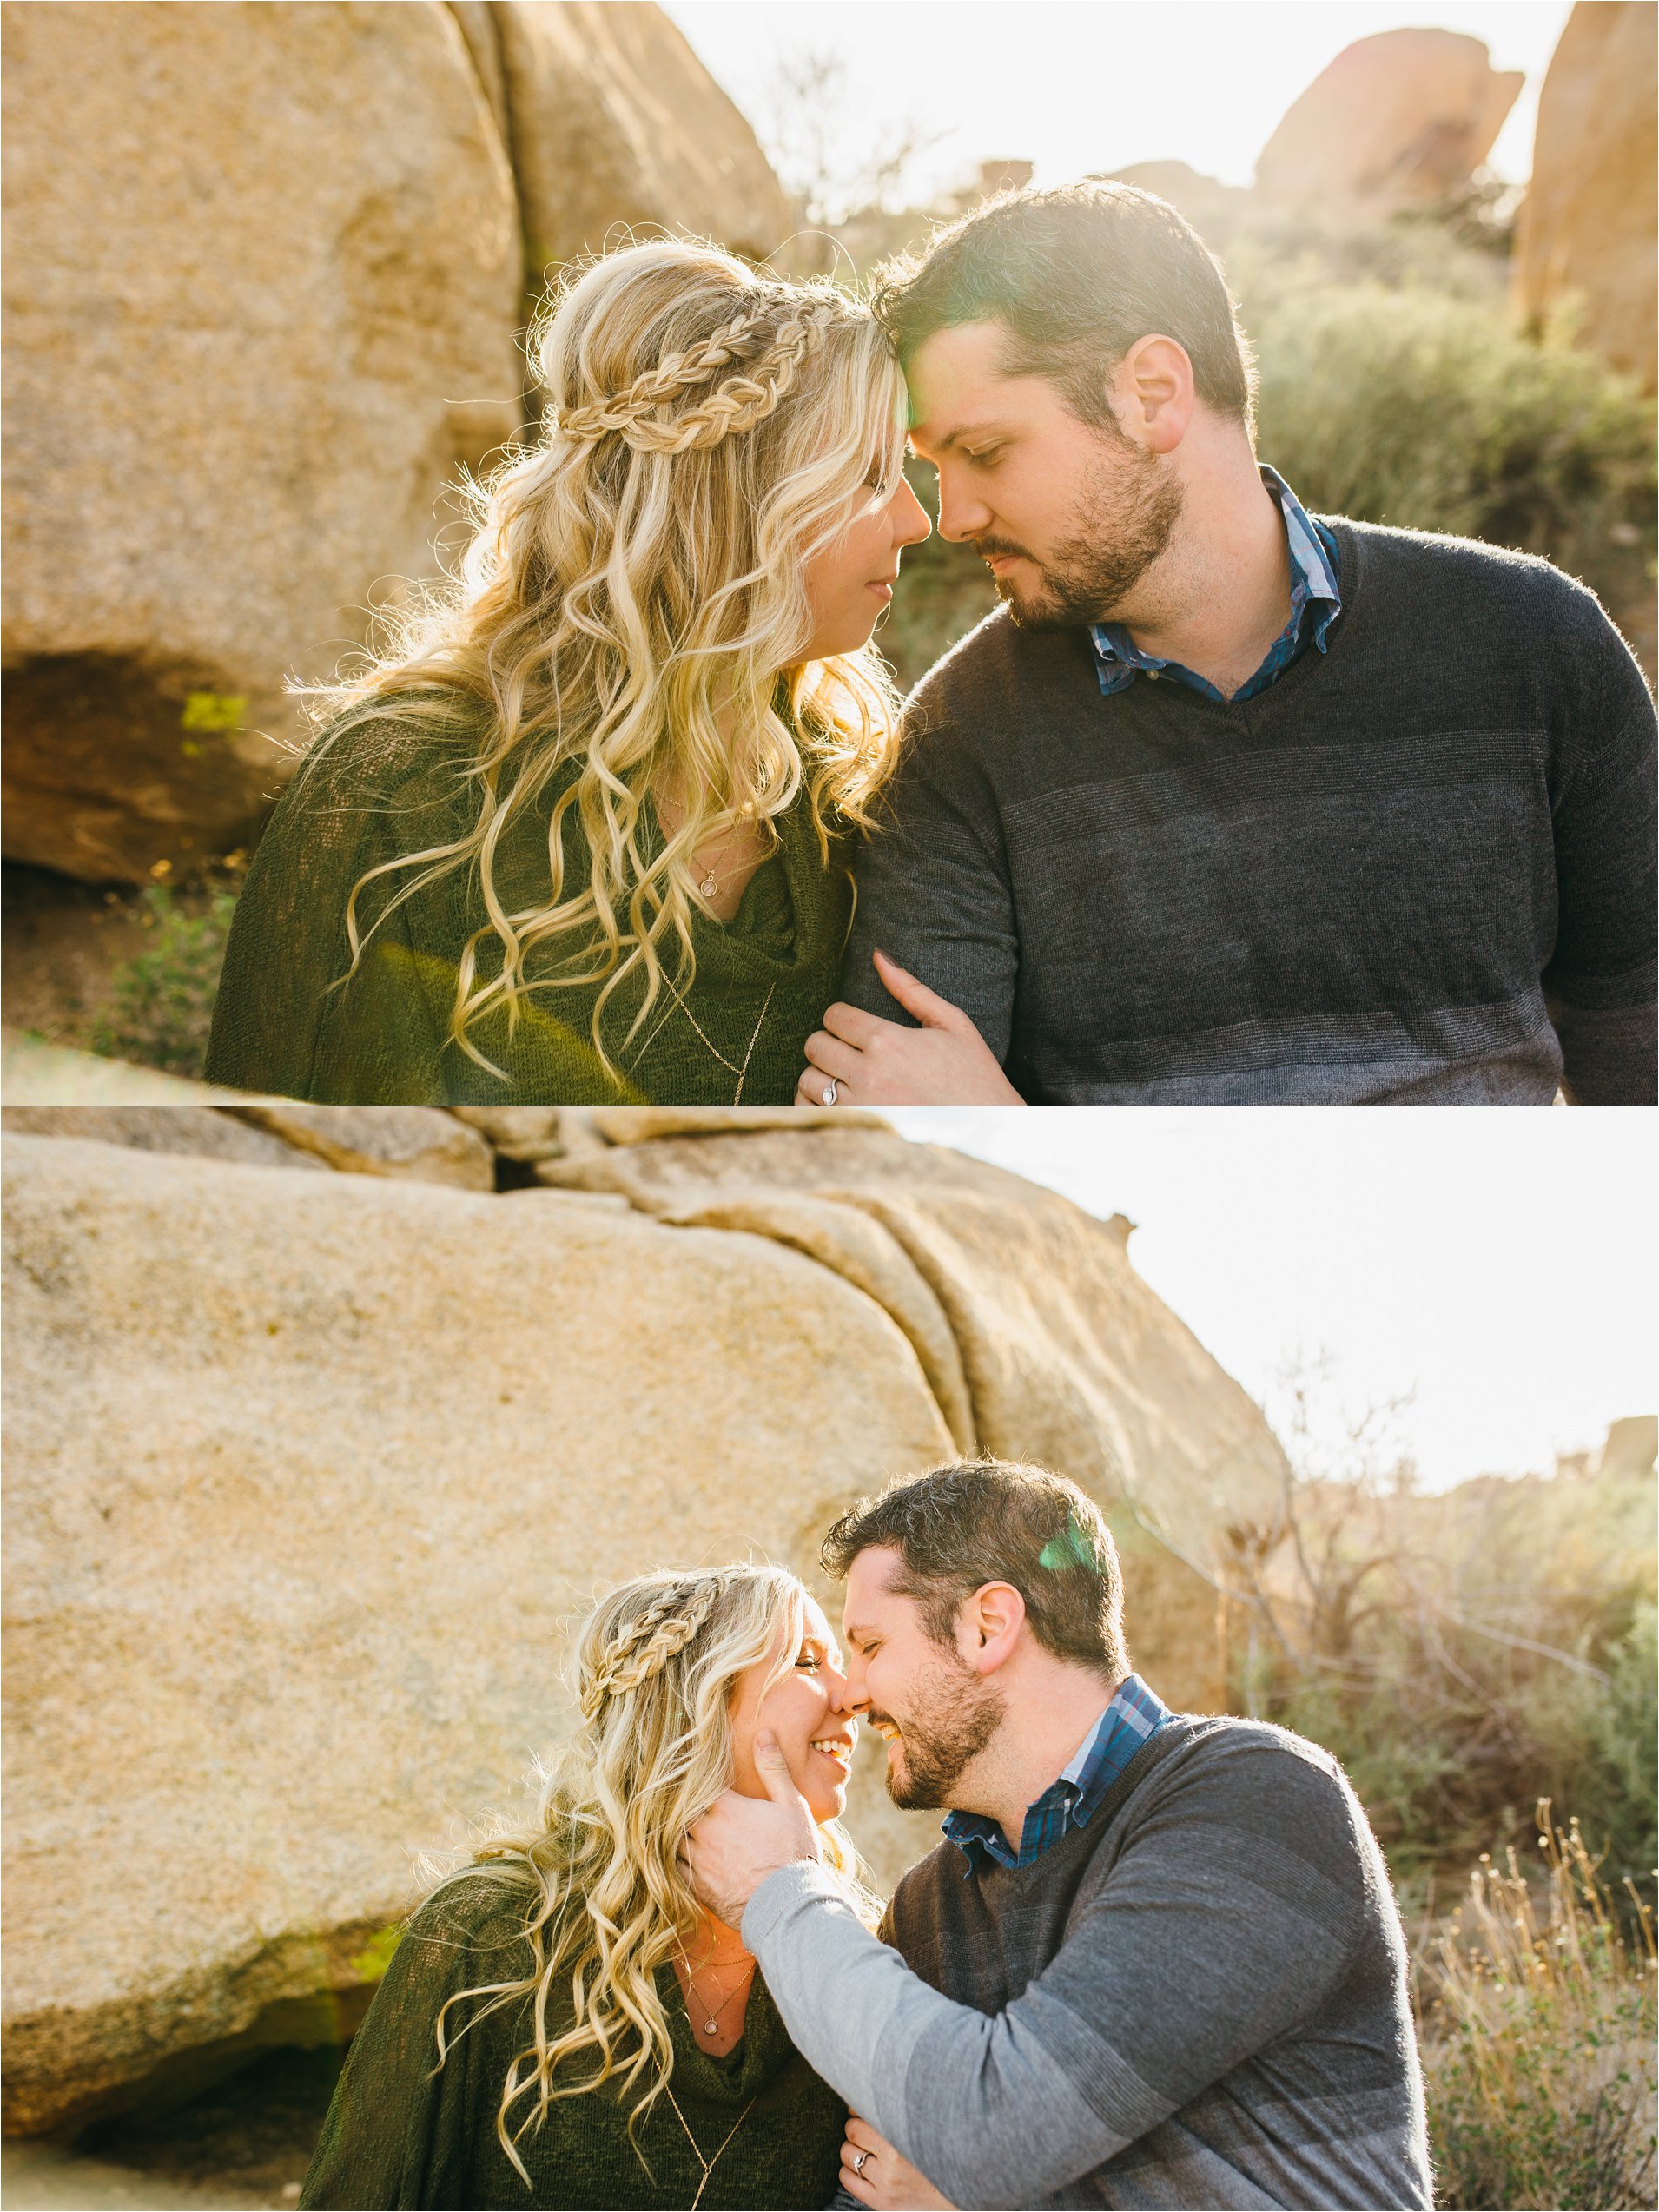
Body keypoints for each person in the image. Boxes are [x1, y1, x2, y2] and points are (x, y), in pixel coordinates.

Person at [794, 182, 1657, 1107]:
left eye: (988, 452)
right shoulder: (958, 742)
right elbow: (900, 1124)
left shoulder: (1530, 642)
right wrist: (1007, 1135)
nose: (952, 517)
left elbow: (1636, 1043)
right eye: (935, 467)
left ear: (1151, 394)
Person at [206, 240, 931, 1106]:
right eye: (872, 477)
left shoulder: (844, 784)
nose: (916, 522)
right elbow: (270, 1150)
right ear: (732, 498)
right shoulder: (401, 796)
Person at [684, 1461, 1435, 2212]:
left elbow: (992, 2134)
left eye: (872, 1646)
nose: (851, 1692)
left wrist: (780, 1892)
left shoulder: (1253, 1798)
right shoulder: (933, 1906)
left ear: (988, 1626)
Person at [301, 1564, 869, 2209]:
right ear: (695, 1703)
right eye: (806, 1660)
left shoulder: (853, 1953)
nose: (853, 1692)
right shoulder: (490, 1934)